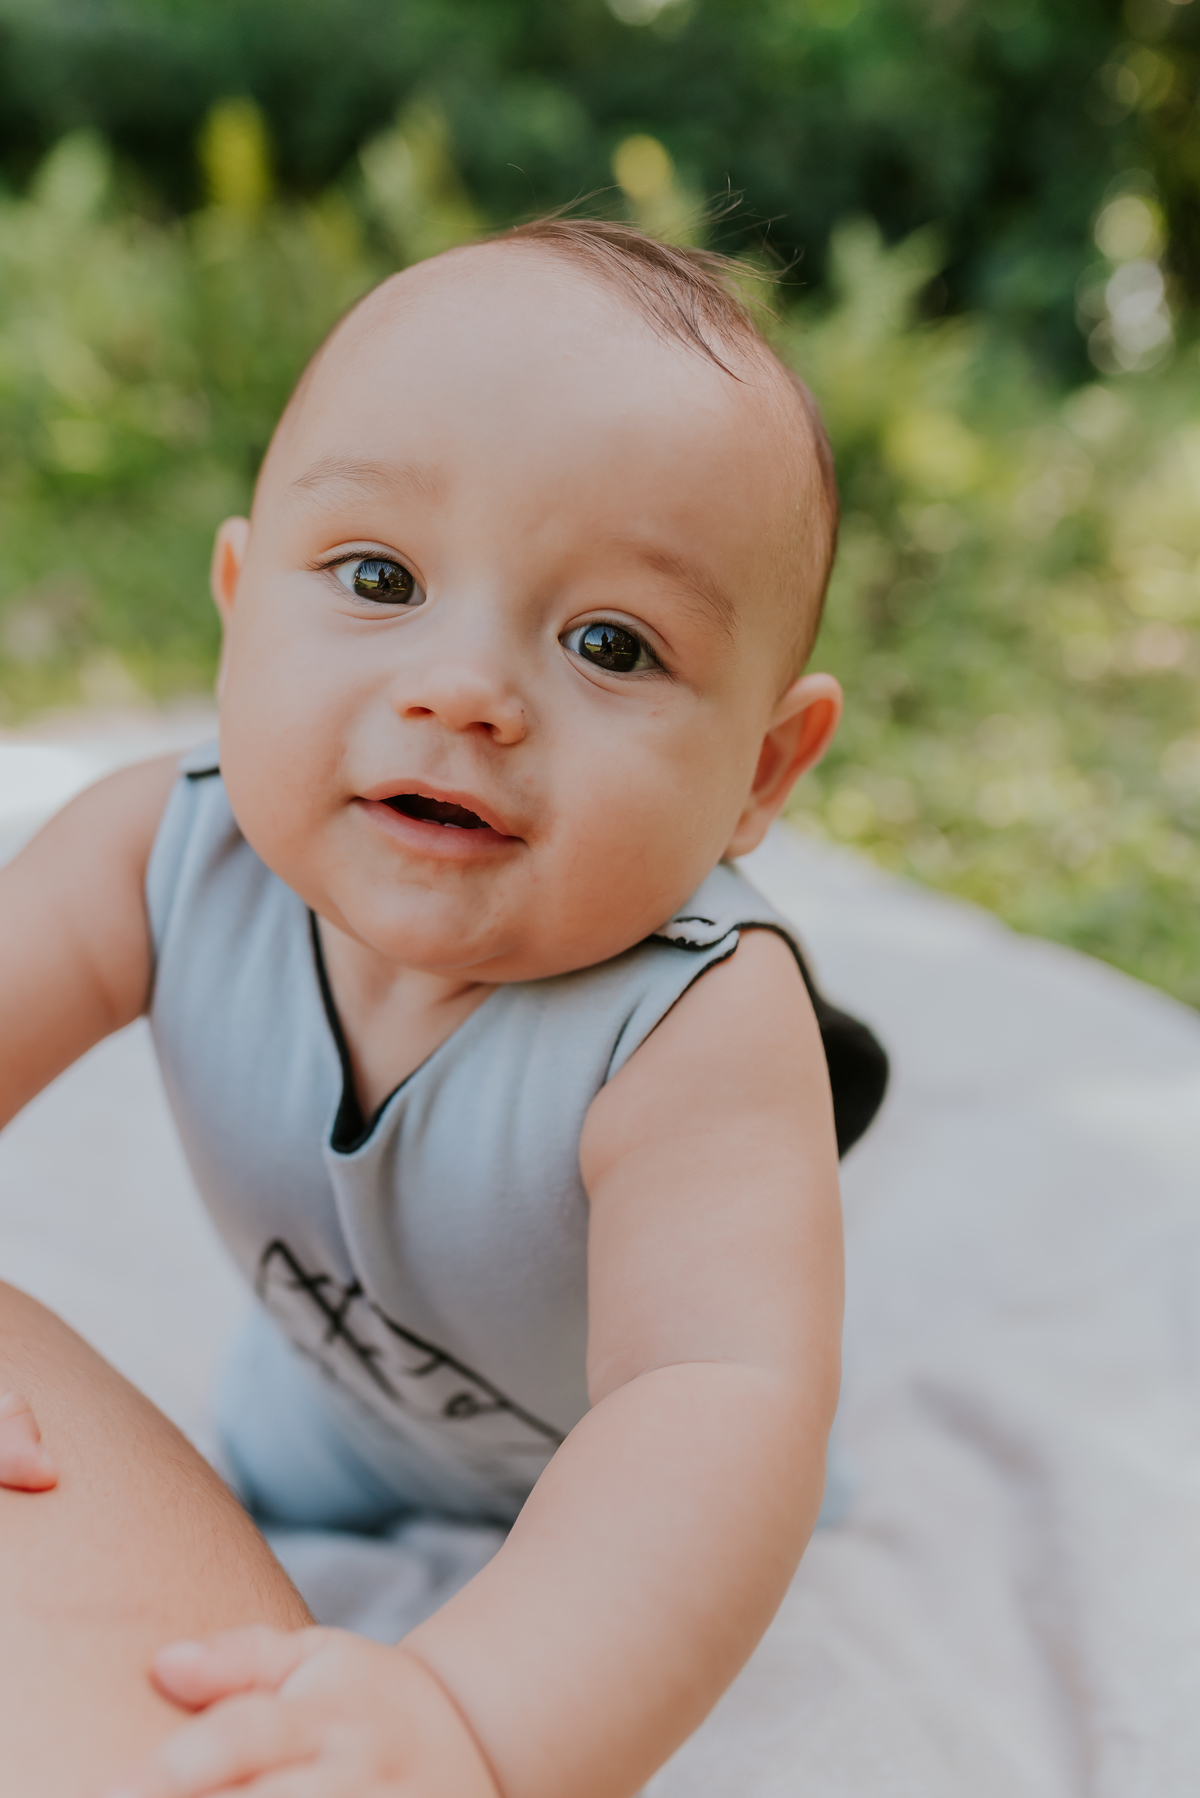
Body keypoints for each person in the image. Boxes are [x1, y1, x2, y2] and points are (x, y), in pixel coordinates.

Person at [0, 218, 886, 1797]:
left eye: (610, 643)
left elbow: (712, 1402)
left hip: (624, 1498)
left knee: (724, 1436)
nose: (463, 688)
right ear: (237, 605)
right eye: (380, 577)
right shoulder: (158, 852)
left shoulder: (700, 1021)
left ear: (763, 769)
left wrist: (474, 1721)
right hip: (311, 1422)